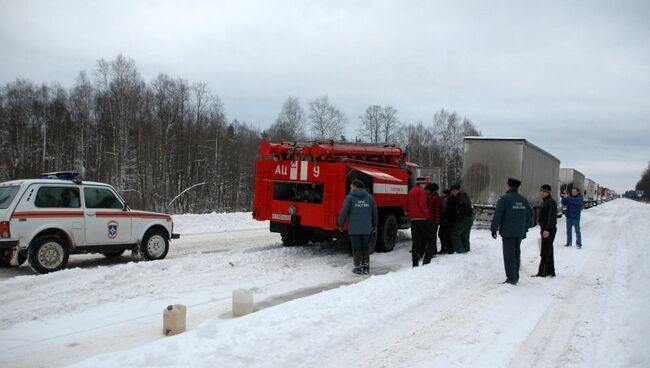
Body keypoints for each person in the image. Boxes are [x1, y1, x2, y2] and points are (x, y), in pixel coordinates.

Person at [490, 178, 532, 285]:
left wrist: (494, 228)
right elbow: (528, 216)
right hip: (519, 232)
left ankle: (511, 278)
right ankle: (515, 276)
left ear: (508, 185)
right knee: (516, 253)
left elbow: (498, 215)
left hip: (508, 232)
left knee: (509, 255)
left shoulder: (504, 199)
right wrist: (525, 230)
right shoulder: (524, 200)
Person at [337, 179, 378, 274]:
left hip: (354, 228)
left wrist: (340, 224)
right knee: (365, 247)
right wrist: (374, 225)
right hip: (366, 228)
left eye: (351, 187)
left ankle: (358, 267)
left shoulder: (350, 198)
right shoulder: (370, 197)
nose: (350, 189)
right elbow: (374, 213)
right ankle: (366, 267)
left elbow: (344, 212)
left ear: (355, 187)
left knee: (356, 247)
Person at [405, 176, 436, 266]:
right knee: (432, 239)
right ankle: (426, 262)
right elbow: (422, 204)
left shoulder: (411, 191)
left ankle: (415, 264)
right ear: (422, 183)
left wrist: (409, 213)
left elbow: (406, 206)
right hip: (422, 219)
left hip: (413, 220)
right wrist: (428, 214)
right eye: (425, 184)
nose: (425, 186)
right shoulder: (421, 191)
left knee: (416, 242)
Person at [535, 184, 557, 277]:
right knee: (548, 250)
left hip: (548, 230)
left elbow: (552, 218)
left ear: (549, 193)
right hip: (544, 229)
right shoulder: (545, 201)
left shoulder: (550, 202)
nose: (542, 193)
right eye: (541, 191)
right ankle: (550, 271)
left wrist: (547, 229)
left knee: (545, 251)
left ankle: (542, 272)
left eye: (544, 191)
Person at [449, 184, 474, 254]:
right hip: (469, 218)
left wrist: (457, 214)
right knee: (465, 235)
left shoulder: (461, 196)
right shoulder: (464, 195)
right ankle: (467, 251)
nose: (452, 193)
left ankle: (460, 251)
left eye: (453, 191)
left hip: (464, 219)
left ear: (457, 190)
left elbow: (463, 208)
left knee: (455, 233)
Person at [425, 183, 444, 257]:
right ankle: (434, 250)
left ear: (430, 190)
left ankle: (432, 250)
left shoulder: (429, 197)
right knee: (433, 235)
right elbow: (442, 207)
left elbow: (427, 207)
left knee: (430, 236)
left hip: (430, 219)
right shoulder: (438, 197)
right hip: (436, 220)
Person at [439, 189, 452, 254]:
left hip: (444, 219)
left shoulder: (445, 199)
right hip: (447, 220)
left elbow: (443, 209)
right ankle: (447, 248)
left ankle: (444, 248)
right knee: (445, 234)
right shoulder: (450, 198)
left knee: (442, 234)